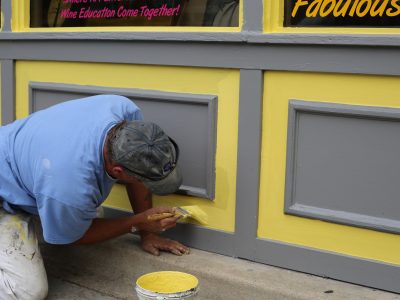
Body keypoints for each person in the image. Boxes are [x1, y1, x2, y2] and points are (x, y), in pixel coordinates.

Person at [0, 94, 189, 300]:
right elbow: (73, 238)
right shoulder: (69, 185)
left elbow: (136, 175)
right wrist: (138, 223)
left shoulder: (124, 111)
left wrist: (148, 233)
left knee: (86, 213)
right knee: (27, 291)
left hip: (26, 173)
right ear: (118, 171)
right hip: (6, 195)